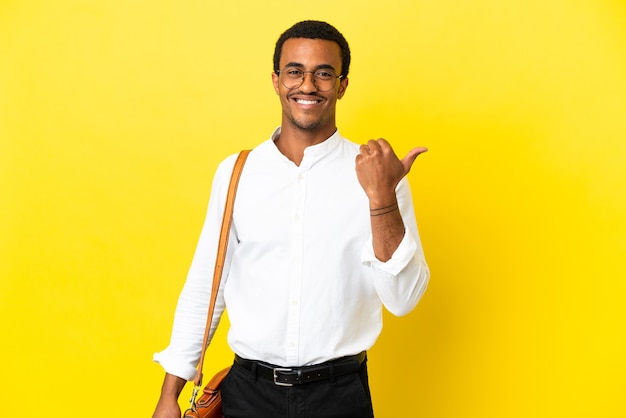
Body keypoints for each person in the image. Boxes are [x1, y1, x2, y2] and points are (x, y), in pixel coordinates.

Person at [152, 20, 430, 418]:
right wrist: (169, 394)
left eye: (323, 73)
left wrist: (382, 199)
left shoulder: (378, 175)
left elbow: (402, 301)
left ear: (343, 84)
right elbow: (204, 286)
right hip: (248, 394)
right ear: (276, 79)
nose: (307, 85)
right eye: (295, 71)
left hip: (340, 396)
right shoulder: (237, 173)